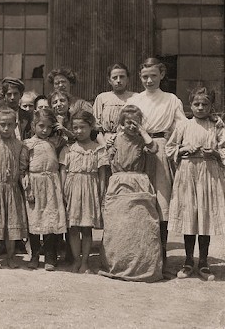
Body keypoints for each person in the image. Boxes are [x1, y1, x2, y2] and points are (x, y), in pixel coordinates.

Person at [126, 57, 186, 270]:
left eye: (153, 75)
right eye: (145, 76)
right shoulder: (135, 99)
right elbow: (124, 122)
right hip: (136, 148)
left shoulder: (171, 100)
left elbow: (183, 126)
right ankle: (139, 253)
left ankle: (161, 255)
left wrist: (173, 145)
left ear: (162, 75)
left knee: (160, 201)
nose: (149, 80)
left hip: (160, 148)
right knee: (139, 198)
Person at [166, 87, 225, 281]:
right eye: (196, 104)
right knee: (190, 216)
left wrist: (214, 153)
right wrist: (184, 149)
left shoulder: (217, 125)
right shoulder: (183, 125)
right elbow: (170, 148)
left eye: (204, 104)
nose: (200, 108)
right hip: (188, 173)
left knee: (205, 218)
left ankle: (204, 262)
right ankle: (188, 260)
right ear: (189, 105)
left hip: (208, 174)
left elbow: (224, 148)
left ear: (211, 106)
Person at [98, 105, 163, 282]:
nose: (132, 127)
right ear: (121, 123)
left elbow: (154, 148)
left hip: (138, 184)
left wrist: (142, 131)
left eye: (136, 123)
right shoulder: (114, 140)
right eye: (128, 123)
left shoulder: (143, 141)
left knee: (140, 227)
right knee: (118, 227)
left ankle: (142, 267)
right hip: (119, 183)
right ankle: (118, 263)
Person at [60, 111, 108, 274]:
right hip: (72, 188)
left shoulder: (98, 149)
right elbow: (63, 171)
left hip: (90, 187)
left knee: (86, 227)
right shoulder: (68, 149)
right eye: (75, 128)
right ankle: (76, 260)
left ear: (91, 127)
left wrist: (101, 192)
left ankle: (86, 261)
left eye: (83, 127)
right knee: (73, 227)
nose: (79, 131)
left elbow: (102, 173)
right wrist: (63, 190)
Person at [23, 109, 66, 271]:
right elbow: (23, 167)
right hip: (34, 183)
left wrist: (62, 128)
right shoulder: (27, 144)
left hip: (51, 184)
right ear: (33, 125)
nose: (45, 130)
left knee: (50, 220)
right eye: (41, 126)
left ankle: (50, 256)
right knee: (34, 220)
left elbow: (72, 139)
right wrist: (27, 187)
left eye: (49, 127)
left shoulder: (56, 142)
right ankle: (34, 255)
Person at [0, 108, 28, 269]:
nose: (6, 128)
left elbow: (22, 168)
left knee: (11, 225)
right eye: (2, 124)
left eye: (10, 125)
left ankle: (10, 257)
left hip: (12, 189)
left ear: (15, 125)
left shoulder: (19, 145)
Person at [93, 63, 136, 145]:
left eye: (122, 77)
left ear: (127, 79)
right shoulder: (102, 98)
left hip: (130, 142)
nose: (119, 80)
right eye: (115, 78)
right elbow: (96, 128)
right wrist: (104, 143)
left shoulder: (135, 97)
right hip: (107, 141)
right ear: (109, 80)